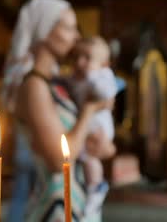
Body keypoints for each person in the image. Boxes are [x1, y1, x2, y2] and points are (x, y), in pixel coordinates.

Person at [2, 0, 115, 222]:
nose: (76, 36)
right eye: (69, 28)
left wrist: (105, 147)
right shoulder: (34, 86)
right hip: (53, 206)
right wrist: (90, 110)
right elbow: (57, 160)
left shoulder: (60, 84)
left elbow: (96, 145)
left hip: (77, 201)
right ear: (45, 31)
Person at [67, 36, 118, 215]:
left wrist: (92, 78)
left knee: (91, 159)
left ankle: (96, 188)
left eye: (87, 58)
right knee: (87, 157)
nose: (81, 62)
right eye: (77, 57)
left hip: (99, 127)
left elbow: (107, 94)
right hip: (87, 127)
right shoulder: (75, 78)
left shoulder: (103, 75)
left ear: (104, 63)